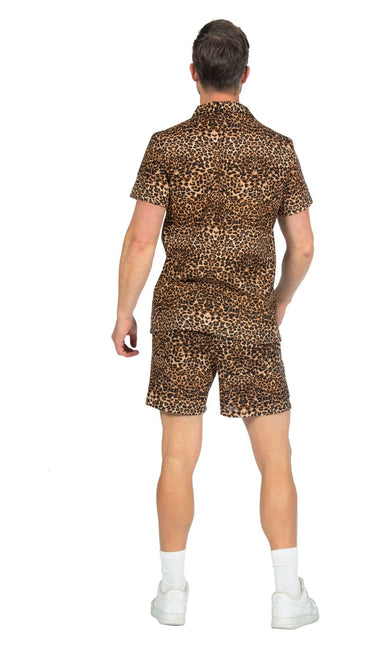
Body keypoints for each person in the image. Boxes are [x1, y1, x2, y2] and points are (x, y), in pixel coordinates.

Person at [111, 18, 319, 630]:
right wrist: (280, 300)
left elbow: (141, 240)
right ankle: (288, 597)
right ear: (245, 75)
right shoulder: (277, 148)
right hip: (251, 319)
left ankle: (172, 593)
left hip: (179, 319)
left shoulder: (166, 146)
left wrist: (123, 311)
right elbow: (304, 246)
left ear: (194, 73)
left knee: (177, 457)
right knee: (275, 459)